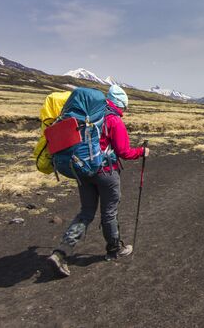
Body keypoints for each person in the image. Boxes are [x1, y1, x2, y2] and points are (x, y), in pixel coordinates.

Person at [47, 85, 149, 277]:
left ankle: (61, 252)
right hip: (106, 173)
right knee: (109, 212)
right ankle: (113, 249)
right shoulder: (114, 120)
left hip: (83, 171)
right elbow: (124, 152)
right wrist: (142, 152)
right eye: (124, 107)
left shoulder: (89, 117)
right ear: (120, 104)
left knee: (86, 212)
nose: (124, 111)